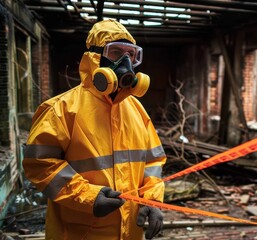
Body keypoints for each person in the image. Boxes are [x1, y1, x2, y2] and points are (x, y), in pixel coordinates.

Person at [23, 19, 166, 240]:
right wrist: (89, 197)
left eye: (132, 55)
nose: (125, 62)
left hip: (131, 232)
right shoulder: (61, 109)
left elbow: (153, 161)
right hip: (79, 233)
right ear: (95, 57)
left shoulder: (136, 109)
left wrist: (152, 200)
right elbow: (39, 165)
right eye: (116, 52)